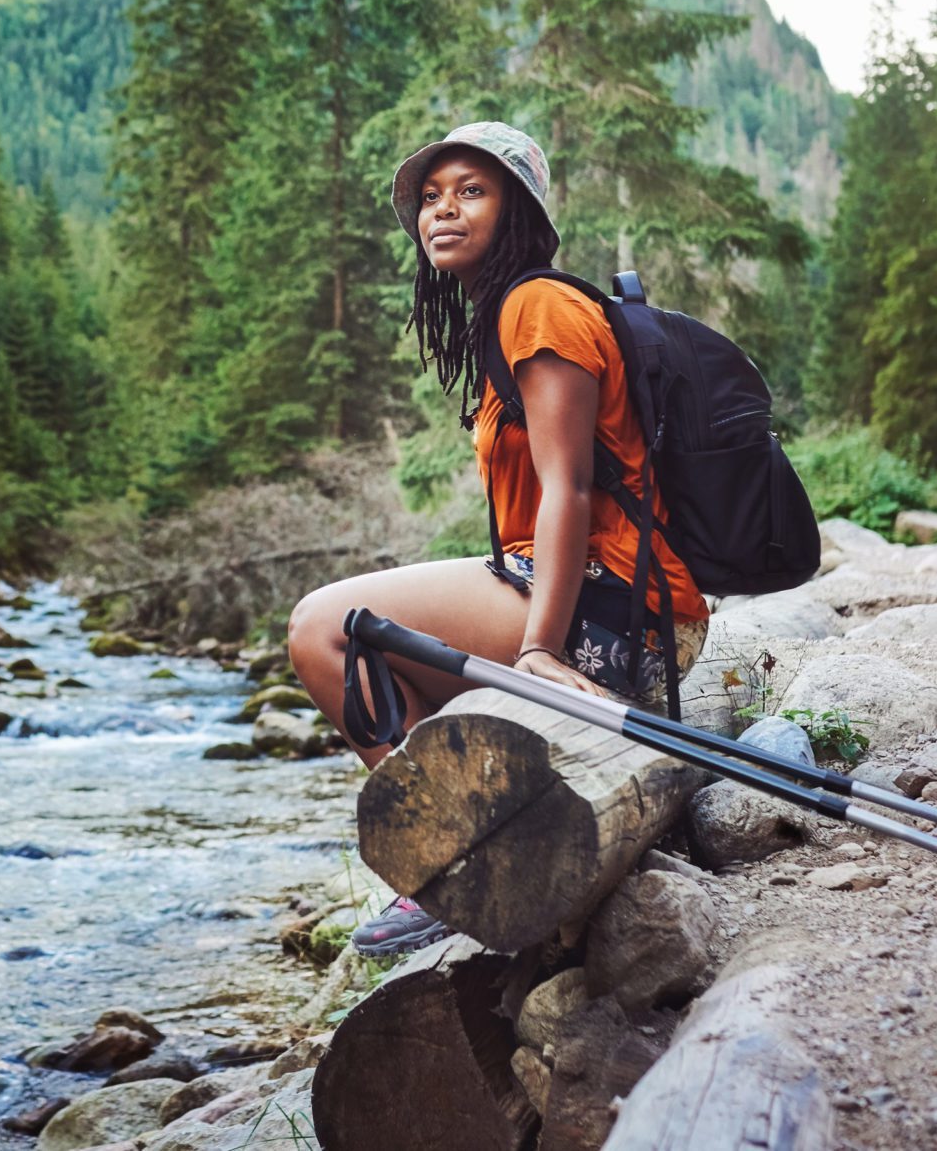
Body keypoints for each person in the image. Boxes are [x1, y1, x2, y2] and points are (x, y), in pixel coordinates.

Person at [284, 122, 709, 958]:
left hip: (616, 615)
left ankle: (441, 856)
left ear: (519, 212)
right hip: (601, 599)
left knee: (322, 629)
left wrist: (539, 648)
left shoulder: (538, 305)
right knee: (361, 637)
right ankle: (475, 844)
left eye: (471, 191)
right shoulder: (507, 313)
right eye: (431, 196)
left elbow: (569, 487)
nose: (442, 210)